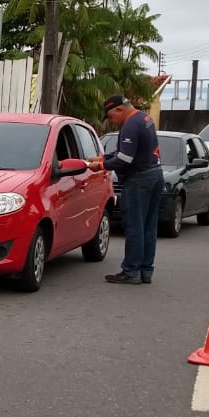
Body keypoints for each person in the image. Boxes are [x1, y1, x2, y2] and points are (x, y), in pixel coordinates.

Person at [86, 95, 161, 284]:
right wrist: (102, 159)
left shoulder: (130, 124)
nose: (111, 121)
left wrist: (100, 166)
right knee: (148, 226)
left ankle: (131, 270)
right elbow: (129, 153)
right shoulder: (144, 118)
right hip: (154, 174)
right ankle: (145, 270)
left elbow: (125, 160)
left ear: (119, 110)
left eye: (110, 117)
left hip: (139, 179)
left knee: (135, 226)